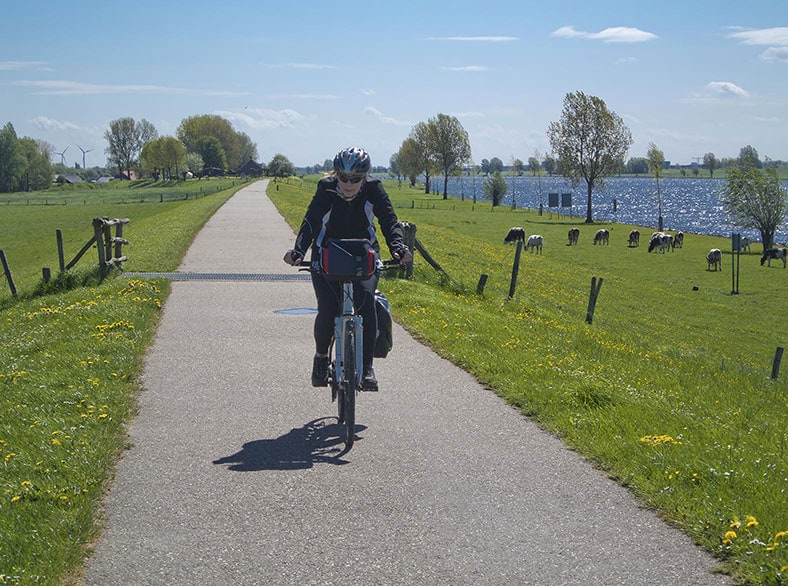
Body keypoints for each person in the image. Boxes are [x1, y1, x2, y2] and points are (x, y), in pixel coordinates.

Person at [283, 147, 413, 391]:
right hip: (327, 255)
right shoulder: (326, 188)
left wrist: (398, 247)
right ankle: (321, 358)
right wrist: (299, 251)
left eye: (355, 179)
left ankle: (366, 368)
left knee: (366, 301)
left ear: (365, 177)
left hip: (363, 257)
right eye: (344, 177)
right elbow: (311, 221)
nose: (349, 184)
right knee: (328, 308)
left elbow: (389, 221)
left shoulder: (374, 190)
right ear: (337, 175)